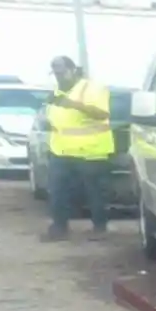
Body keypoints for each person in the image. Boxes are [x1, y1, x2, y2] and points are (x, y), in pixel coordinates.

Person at [42, 55, 114, 242]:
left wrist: (74, 104)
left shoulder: (93, 88)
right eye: (55, 73)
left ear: (73, 70)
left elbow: (102, 113)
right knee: (57, 190)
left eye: (61, 72)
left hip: (90, 151)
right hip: (61, 151)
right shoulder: (59, 90)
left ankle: (100, 228)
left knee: (94, 192)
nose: (58, 77)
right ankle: (59, 227)